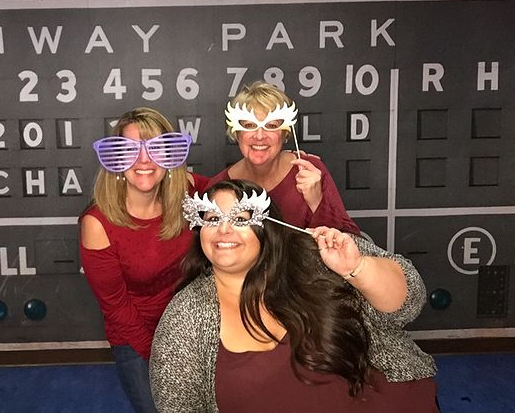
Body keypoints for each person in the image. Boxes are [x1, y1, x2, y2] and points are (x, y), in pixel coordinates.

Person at [150, 179, 438, 412]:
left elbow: (410, 302)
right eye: (212, 219)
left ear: (267, 226)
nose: (224, 229)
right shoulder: (185, 317)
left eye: (240, 218)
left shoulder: (316, 255)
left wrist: (356, 267)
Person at [79, 107, 209, 413]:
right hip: (135, 335)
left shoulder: (188, 191)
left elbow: (240, 183)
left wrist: (296, 164)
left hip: (188, 324)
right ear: (115, 161)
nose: (144, 160)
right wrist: (159, 356)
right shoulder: (97, 223)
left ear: (170, 156)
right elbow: (115, 306)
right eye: (130, 151)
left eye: (155, 149)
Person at [207, 80, 360, 234]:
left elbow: (350, 240)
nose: (259, 136)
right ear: (236, 133)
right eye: (249, 125)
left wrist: (316, 202)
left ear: (285, 133)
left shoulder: (309, 170)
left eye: (272, 126)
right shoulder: (219, 186)